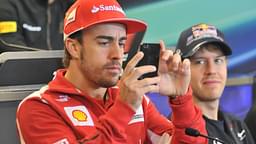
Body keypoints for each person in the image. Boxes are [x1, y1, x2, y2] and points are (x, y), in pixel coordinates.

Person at [16, 0, 207, 143]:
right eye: (104, 42)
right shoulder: (38, 107)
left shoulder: (136, 100)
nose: (118, 54)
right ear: (74, 47)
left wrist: (181, 102)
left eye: (122, 43)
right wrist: (124, 108)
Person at [175, 23, 255, 144]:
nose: (211, 70)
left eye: (218, 60)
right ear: (181, 68)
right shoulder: (180, 131)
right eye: (200, 62)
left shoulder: (237, 125)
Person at [0, 0, 74, 50]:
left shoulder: (73, 5)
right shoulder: (7, 4)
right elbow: (10, 45)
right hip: (24, 70)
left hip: (64, 70)